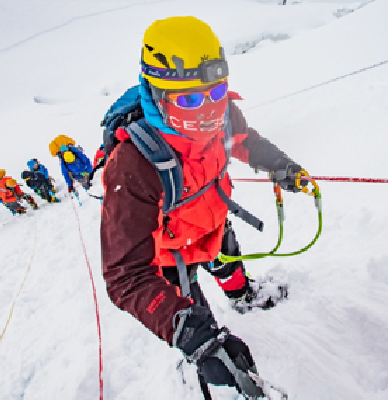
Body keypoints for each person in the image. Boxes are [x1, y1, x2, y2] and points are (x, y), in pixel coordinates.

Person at [100, 16, 309, 398]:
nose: (209, 110)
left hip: (212, 223)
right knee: (193, 314)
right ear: (158, 95)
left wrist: (279, 165)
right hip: (169, 253)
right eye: (190, 100)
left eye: (216, 92)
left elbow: (243, 140)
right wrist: (192, 335)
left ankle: (243, 297)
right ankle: (208, 362)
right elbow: (126, 274)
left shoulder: (224, 112)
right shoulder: (133, 164)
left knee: (228, 264)